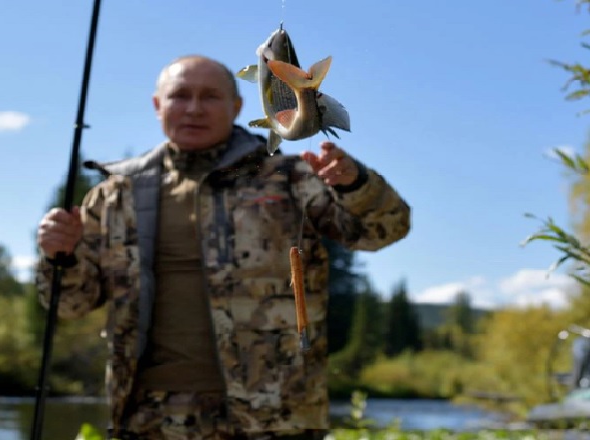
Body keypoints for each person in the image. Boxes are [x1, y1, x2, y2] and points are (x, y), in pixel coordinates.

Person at [36, 55, 411, 440]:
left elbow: (385, 229)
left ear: (237, 106)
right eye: (180, 96)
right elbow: (70, 304)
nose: (194, 108)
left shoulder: (289, 177)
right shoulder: (113, 196)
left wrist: (355, 184)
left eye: (210, 96)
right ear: (157, 105)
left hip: (275, 416)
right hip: (147, 417)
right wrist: (58, 255)